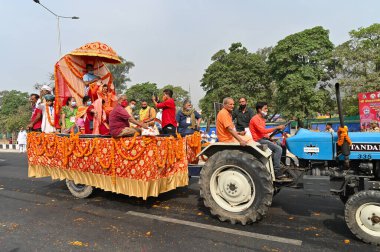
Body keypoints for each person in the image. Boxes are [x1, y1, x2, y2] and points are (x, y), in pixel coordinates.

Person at [249, 102, 289, 180]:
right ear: (260, 110)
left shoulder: (262, 119)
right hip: (258, 140)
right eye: (265, 108)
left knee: (282, 145)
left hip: (263, 138)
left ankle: (282, 165)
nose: (267, 110)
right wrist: (277, 127)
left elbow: (263, 133)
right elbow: (263, 131)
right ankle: (277, 171)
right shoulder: (255, 119)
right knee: (278, 149)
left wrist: (269, 138)